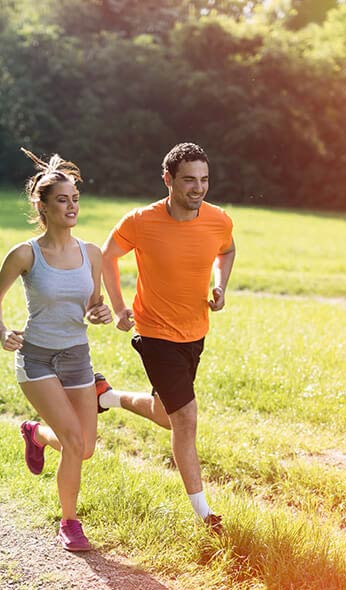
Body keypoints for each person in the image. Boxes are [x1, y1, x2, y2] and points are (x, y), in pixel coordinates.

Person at [99, 142, 236, 531]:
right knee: (186, 419)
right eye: (189, 180)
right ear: (168, 180)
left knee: (166, 415)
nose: (199, 188)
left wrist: (220, 285)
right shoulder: (140, 221)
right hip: (154, 332)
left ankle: (107, 396)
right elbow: (107, 256)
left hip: (194, 333)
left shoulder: (218, 220)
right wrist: (120, 307)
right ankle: (205, 514)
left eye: (204, 179)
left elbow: (227, 252)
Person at [0, 148, 112, 552]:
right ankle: (70, 523)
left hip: (77, 357)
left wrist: (100, 311)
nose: (72, 206)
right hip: (37, 358)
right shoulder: (26, 254)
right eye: (63, 199)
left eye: (75, 198)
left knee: (85, 448)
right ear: (42, 206)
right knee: (74, 441)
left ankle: (36, 434)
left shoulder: (91, 253)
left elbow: (93, 303)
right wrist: (2, 330)